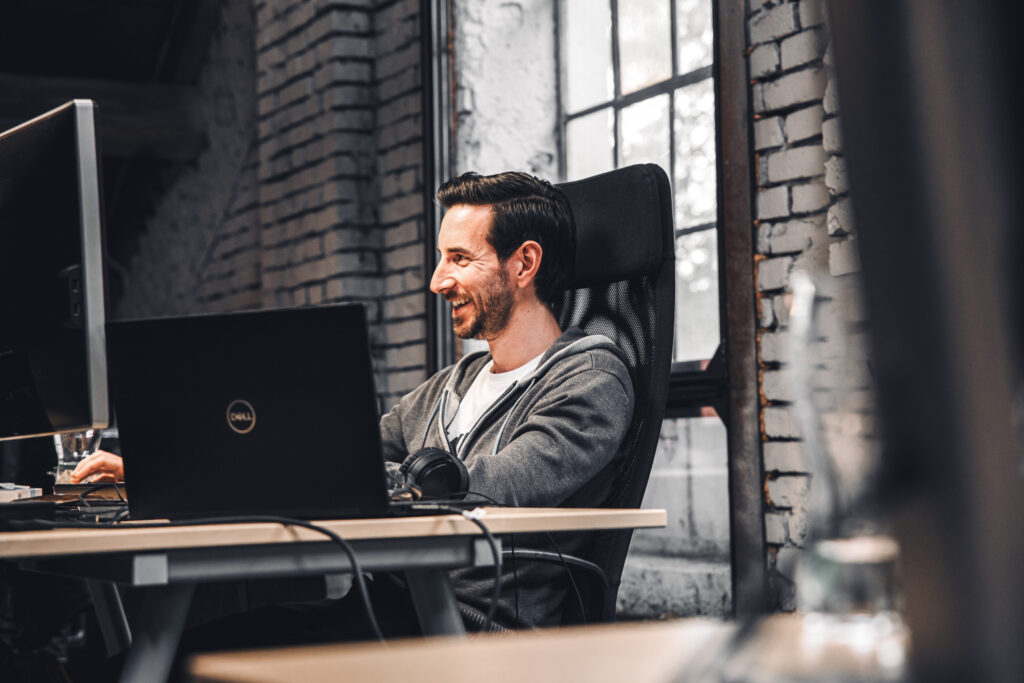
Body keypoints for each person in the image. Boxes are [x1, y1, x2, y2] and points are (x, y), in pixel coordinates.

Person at [71, 170, 635, 631]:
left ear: (524, 264)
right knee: (186, 649)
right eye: (442, 258)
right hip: (384, 607)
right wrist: (167, 471)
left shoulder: (589, 377)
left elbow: (502, 482)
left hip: (469, 627)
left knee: (183, 658)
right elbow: (332, 451)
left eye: (460, 259)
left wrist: (376, 476)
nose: (438, 281)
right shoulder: (451, 383)